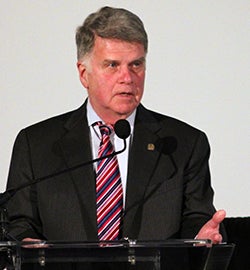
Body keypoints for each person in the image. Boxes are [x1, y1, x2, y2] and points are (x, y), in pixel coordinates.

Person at [6, 5, 226, 267]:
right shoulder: (36, 144)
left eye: (136, 64)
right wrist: (26, 243)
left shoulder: (185, 144)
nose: (127, 77)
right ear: (84, 73)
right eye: (112, 65)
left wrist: (200, 239)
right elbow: (18, 222)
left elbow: (196, 221)